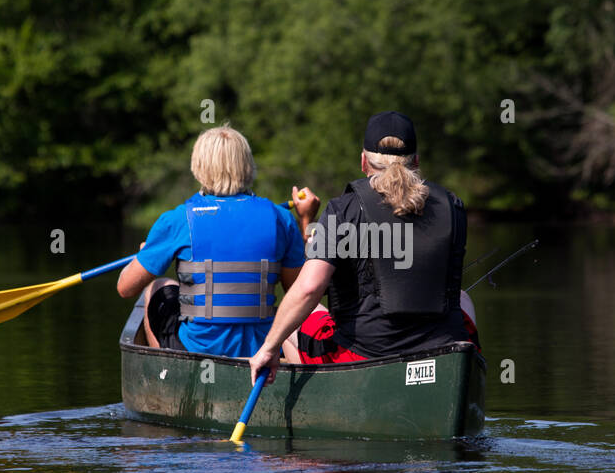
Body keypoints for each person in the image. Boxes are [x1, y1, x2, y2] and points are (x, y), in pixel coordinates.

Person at [248, 111, 479, 384]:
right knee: (463, 298)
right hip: (444, 352)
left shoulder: (342, 210)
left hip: (364, 356)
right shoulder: (453, 206)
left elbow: (309, 288)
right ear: (416, 162)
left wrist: (268, 348)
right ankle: (464, 379)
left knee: (287, 318)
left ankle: (326, 395)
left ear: (363, 162)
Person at [116, 123, 314, 358]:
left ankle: (170, 369)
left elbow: (125, 288)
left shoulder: (178, 220)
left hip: (198, 350)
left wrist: (145, 254)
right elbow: (298, 291)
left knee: (157, 286)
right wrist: (306, 221)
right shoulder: (281, 219)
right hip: (261, 350)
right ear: (248, 166)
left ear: (198, 167)